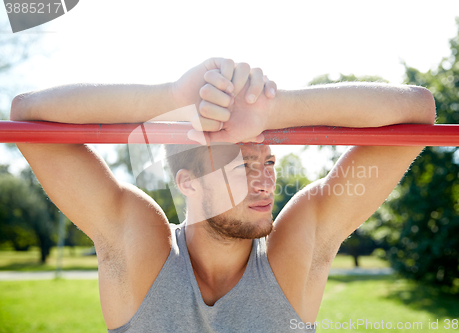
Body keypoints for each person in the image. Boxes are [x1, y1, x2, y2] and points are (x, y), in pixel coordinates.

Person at [10, 58, 436, 332]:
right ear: (188, 183)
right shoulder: (141, 245)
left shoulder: (290, 253)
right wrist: (170, 98)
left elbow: (417, 112)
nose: (266, 181)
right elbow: (29, 118)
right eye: (241, 166)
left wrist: (278, 111)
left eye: (268, 163)